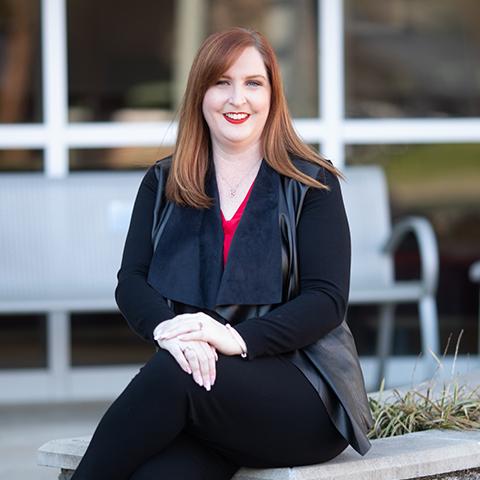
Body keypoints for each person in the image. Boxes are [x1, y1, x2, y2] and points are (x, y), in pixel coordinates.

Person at [71, 27, 373, 480]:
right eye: (222, 83)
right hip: (207, 387)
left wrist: (237, 339)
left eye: (253, 83)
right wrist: (168, 330)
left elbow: (326, 301)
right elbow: (131, 280)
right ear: (200, 93)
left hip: (304, 391)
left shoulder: (312, 183)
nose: (238, 99)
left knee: (174, 376)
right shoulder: (164, 182)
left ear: (272, 94)